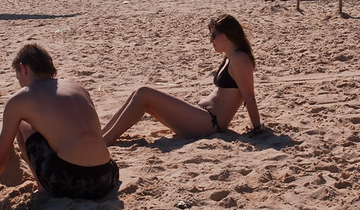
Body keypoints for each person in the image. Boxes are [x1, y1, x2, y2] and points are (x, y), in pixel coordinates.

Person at [0, 44, 119, 199]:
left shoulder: (21, 99)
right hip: (107, 177)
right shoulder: (76, 87)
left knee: (21, 125)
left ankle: (42, 187)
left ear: (24, 69)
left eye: (18, 78)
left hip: (69, 182)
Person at [102, 14, 262, 143]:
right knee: (139, 93)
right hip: (202, 117)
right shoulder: (229, 57)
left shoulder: (239, 59)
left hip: (210, 123)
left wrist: (258, 130)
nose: (210, 40)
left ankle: (105, 140)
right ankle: (102, 135)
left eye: (213, 35)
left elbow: (249, 96)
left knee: (144, 93)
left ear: (227, 34)